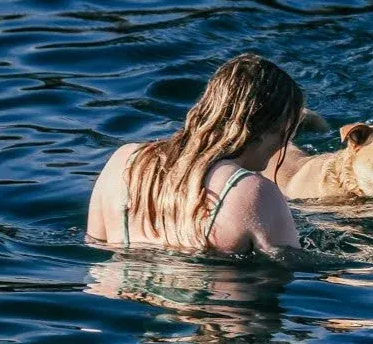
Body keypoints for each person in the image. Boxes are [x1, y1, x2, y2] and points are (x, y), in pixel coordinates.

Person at [86, 53, 304, 255]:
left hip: (119, 294)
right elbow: (291, 268)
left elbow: (95, 244)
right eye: (286, 131)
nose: (284, 143)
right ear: (270, 128)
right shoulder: (255, 192)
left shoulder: (122, 161)